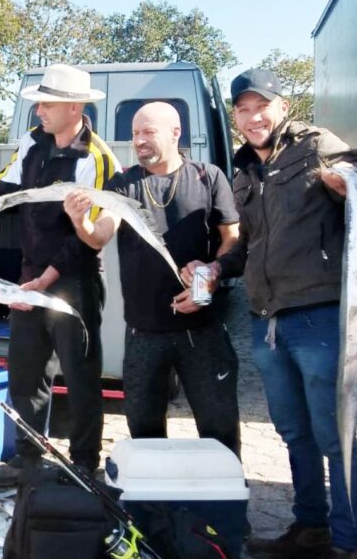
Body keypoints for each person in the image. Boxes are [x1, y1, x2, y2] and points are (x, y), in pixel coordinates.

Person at [208, 68, 357, 559]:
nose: (253, 118)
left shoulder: (318, 146)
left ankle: (350, 542)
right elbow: (247, 246)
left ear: (282, 106)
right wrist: (214, 266)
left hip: (318, 316)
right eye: (243, 110)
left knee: (334, 432)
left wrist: (348, 189)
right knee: (292, 432)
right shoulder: (244, 171)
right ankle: (310, 527)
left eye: (261, 106)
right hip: (265, 320)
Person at [0, 64, 117, 486]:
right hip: (32, 275)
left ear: (75, 107)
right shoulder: (33, 143)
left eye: (46, 104)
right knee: (26, 370)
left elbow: (89, 237)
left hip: (75, 280)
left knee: (81, 372)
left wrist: (47, 279)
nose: (38, 113)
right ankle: (28, 458)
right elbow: (4, 186)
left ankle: (84, 463)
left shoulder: (98, 159)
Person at [64, 101, 241, 457]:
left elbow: (232, 240)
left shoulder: (209, 177)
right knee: (144, 433)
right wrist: (80, 221)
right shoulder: (123, 184)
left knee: (219, 428)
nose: (138, 141)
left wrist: (209, 278)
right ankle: (149, 512)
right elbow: (100, 235)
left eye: (148, 132)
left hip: (202, 330)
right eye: (134, 134)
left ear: (176, 133)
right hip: (143, 332)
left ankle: (224, 510)